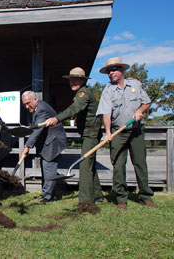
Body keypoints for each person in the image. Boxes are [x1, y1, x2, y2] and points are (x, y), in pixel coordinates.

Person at [96, 57, 156, 209]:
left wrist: (139, 111)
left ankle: (145, 196)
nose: (111, 73)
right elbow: (106, 114)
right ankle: (121, 198)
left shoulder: (135, 84)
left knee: (140, 163)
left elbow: (147, 101)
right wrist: (108, 132)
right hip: (118, 132)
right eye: (109, 71)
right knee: (118, 165)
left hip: (136, 131)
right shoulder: (108, 91)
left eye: (114, 69)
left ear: (122, 70)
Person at [45, 67, 104, 206]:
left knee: (84, 165)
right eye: (71, 80)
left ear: (83, 80)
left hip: (91, 133)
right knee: (90, 164)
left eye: (76, 80)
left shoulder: (83, 93)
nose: (72, 82)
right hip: (87, 133)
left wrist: (56, 119)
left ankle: (85, 201)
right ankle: (97, 195)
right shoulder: (80, 93)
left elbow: (74, 109)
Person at [21, 91, 67, 202]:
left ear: (35, 100)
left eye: (28, 103)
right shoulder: (38, 107)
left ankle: (49, 196)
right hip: (48, 142)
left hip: (53, 142)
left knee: (49, 168)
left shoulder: (41, 110)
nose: (26, 107)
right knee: (46, 168)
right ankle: (47, 193)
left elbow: (38, 129)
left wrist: (27, 146)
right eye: (24, 104)